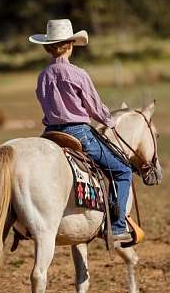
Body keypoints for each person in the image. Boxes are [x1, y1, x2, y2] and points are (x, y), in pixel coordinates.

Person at [29, 19, 133, 243]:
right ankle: (117, 227)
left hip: (50, 134)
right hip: (78, 133)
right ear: (70, 45)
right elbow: (94, 107)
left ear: (48, 47)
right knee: (122, 169)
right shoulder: (78, 74)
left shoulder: (42, 76)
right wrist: (109, 121)